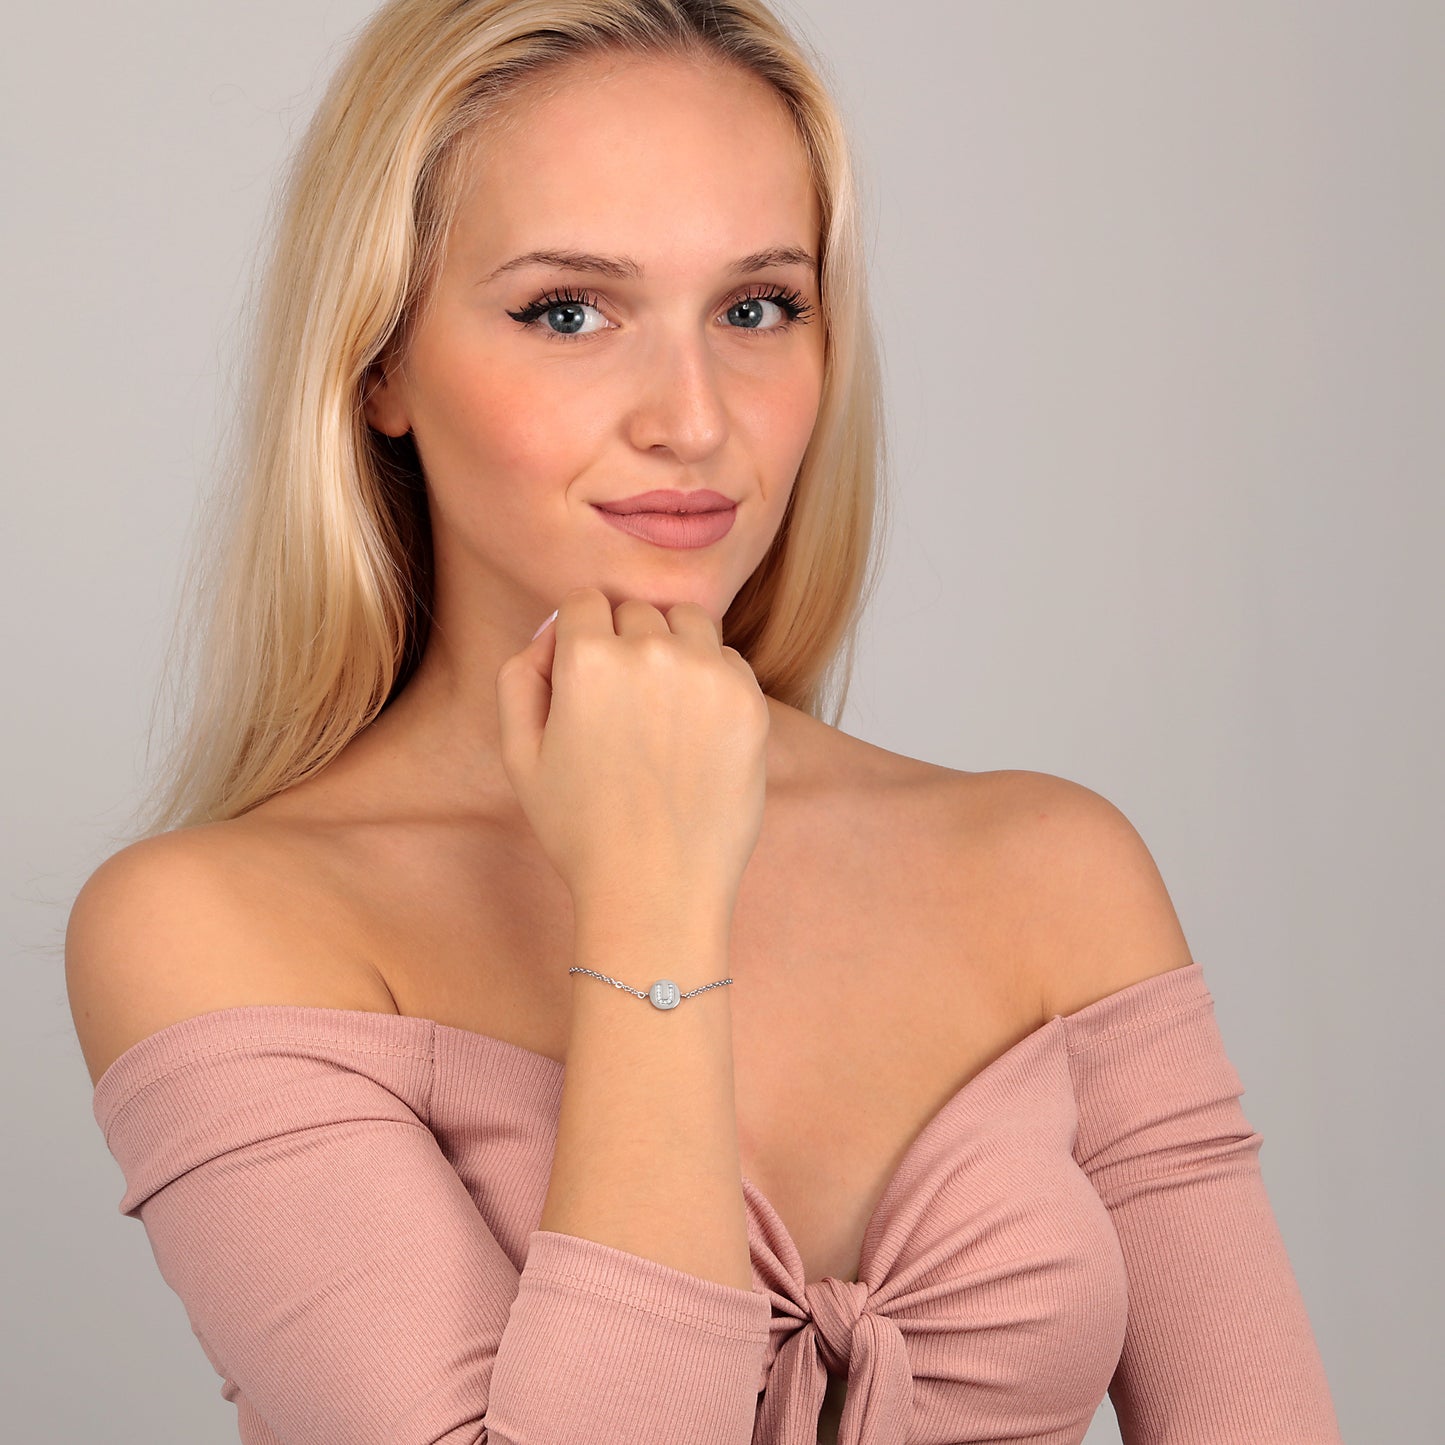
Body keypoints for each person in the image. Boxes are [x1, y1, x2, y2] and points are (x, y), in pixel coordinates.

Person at [65, 2, 1343, 1442]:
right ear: (382, 364)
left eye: (756, 309)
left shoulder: (1051, 871)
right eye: (569, 311)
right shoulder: (215, 925)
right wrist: (653, 907)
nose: (693, 418)